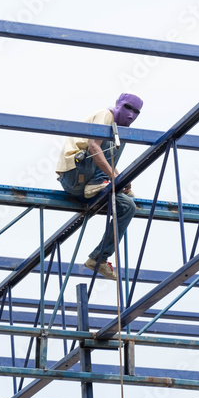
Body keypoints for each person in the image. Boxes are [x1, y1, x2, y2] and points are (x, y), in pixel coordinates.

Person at [56, 93, 143, 280]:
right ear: (118, 104)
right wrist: (116, 178)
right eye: (128, 108)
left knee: (128, 206)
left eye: (136, 112)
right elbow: (94, 148)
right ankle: (100, 182)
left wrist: (120, 180)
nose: (131, 115)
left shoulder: (117, 128)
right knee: (117, 136)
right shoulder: (106, 115)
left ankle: (99, 258)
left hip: (87, 181)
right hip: (74, 174)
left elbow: (103, 156)